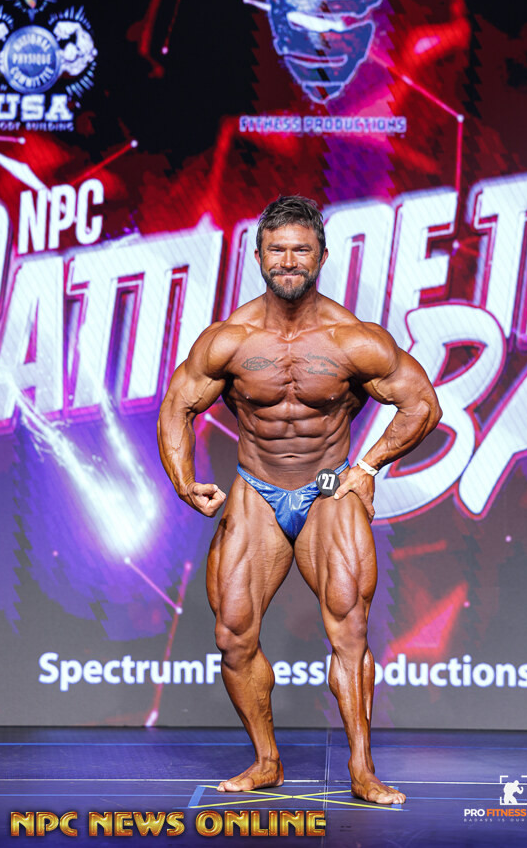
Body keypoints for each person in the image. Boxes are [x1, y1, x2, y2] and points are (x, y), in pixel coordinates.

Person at [157, 196, 442, 805]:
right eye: (277, 250)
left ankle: (362, 770)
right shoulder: (229, 339)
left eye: (301, 250)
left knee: (349, 628)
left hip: (328, 489)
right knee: (232, 633)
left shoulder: (352, 339)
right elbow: (177, 405)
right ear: (258, 255)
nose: (288, 261)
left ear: (321, 257)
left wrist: (367, 466)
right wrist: (183, 480)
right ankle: (267, 761)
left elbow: (422, 403)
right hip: (257, 490)